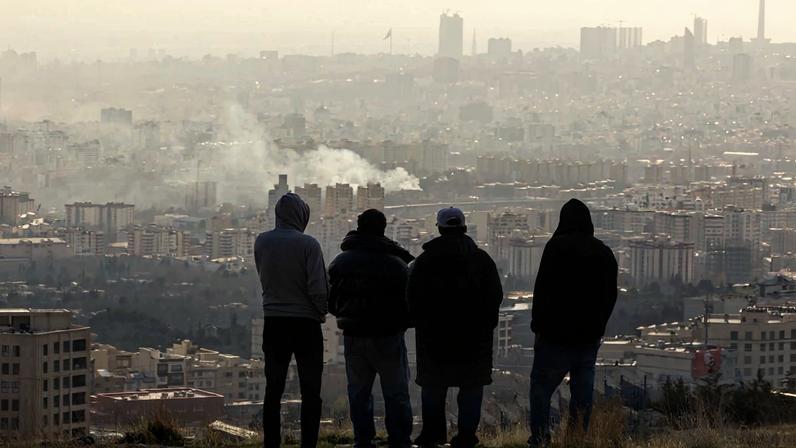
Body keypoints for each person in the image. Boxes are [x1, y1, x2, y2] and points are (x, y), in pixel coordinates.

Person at [407, 207, 503, 448]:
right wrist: (487, 325)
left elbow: (412, 298)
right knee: (471, 386)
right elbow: (495, 296)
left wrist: (421, 323)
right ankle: (466, 437)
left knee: (433, 386)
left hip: (434, 339)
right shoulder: (481, 260)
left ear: (439, 229)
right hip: (474, 339)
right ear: (464, 227)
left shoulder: (424, 262)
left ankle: (432, 435)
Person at [528, 198, 618, 447]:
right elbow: (610, 296)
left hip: (554, 336)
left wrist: (538, 327)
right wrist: (599, 326)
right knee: (582, 393)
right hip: (588, 338)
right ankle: (576, 439)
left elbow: (542, 289)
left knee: (541, 389)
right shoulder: (603, 253)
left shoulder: (556, 248)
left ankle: (540, 438)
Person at [328, 209, 415, 448]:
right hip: (388, 336)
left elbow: (331, 301)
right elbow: (409, 304)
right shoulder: (396, 264)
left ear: (359, 227)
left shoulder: (340, 262)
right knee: (396, 391)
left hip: (353, 335)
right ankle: (399, 439)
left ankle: (363, 439)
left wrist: (346, 316)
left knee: (359, 392)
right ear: (383, 228)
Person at [254, 192, 329, 448]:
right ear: (301, 216)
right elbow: (318, 289)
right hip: (306, 325)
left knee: (273, 389)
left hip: (274, 322)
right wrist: (322, 311)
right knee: (311, 391)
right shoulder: (309, 245)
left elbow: (264, 276)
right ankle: (308, 443)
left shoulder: (262, 242)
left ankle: (271, 443)